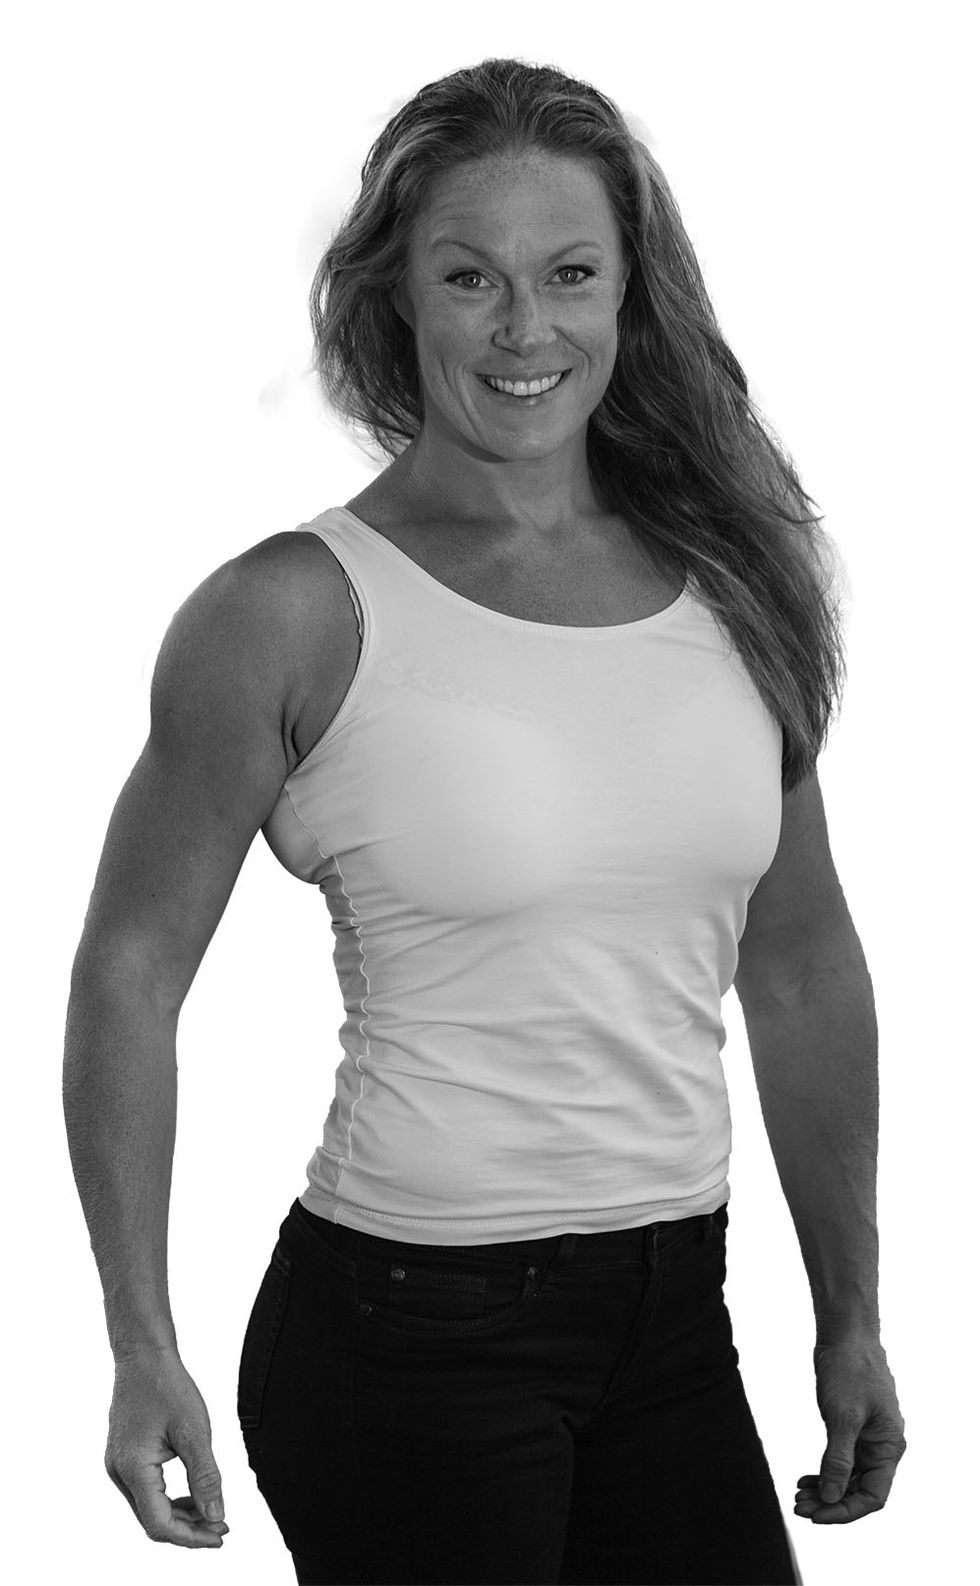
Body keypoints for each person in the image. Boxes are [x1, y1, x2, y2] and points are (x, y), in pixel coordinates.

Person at [62, 55, 906, 1586]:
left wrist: (850, 1313)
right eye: (471, 278)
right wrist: (139, 1341)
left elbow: (799, 966)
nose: (526, 330)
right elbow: (128, 973)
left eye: (570, 273)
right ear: (399, 296)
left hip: (674, 1322)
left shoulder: (735, 582)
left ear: (632, 292)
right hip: (406, 1342)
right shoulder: (291, 612)